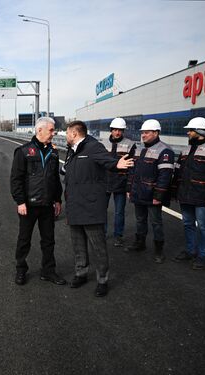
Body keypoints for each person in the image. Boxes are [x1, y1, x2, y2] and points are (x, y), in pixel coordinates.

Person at [63, 120, 133, 297]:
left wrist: (117, 165)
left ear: (74, 133)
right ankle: (81, 273)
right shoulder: (72, 151)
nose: (65, 135)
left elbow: (107, 161)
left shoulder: (93, 147)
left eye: (66, 132)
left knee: (98, 246)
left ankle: (102, 279)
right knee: (78, 245)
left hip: (91, 205)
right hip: (74, 204)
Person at [10, 117, 65, 286]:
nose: (54, 133)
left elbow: (55, 178)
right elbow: (16, 179)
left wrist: (57, 200)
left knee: (48, 240)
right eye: (51, 130)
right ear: (40, 130)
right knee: (24, 239)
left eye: (54, 130)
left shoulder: (54, 152)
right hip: (29, 205)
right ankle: (21, 270)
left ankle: (48, 271)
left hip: (47, 205)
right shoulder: (24, 151)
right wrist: (20, 202)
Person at [172, 117, 205, 270]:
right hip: (186, 195)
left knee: (203, 226)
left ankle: (203, 256)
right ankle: (190, 251)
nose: (188, 133)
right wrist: (175, 192)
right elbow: (178, 173)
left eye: (190, 130)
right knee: (188, 224)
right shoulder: (186, 150)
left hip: (202, 197)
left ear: (199, 131)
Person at [126, 119, 175, 264]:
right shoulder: (139, 148)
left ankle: (159, 250)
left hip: (153, 195)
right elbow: (131, 171)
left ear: (156, 132)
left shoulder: (165, 150)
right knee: (140, 220)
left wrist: (158, 195)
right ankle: (140, 243)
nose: (143, 135)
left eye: (146, 132)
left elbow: (165, 176)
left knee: (156, 223)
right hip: (138, 192)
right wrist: (129, 188)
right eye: (142, 132)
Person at [102, 118, 137, 247]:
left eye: (120, 130)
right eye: (115, 130)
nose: (117, 133)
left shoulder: (130, 144)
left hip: (121, 182)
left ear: (123, 131)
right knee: (102, 210)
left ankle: (118, 235)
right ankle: (103, 233)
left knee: (119, 211)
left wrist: (130, 185)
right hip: (104, 181)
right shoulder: (103, 143)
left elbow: (132, 166)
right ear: (111, 130)